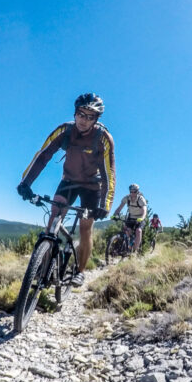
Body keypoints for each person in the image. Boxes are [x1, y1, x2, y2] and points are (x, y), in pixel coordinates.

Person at [17, 93, 115, 286]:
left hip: (92, 186)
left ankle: (80, 271)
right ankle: (43, 264)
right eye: (81, 114)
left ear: (96, 119)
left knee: (86, 227)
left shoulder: (103, 138)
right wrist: (26, 183)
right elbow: (43, 156)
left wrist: (105, 204)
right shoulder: (65, 130)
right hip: (68, 181)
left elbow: (108, 174)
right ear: (75, 113)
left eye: (90, 116)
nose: (84, 120)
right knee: (54, 215)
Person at [113, 183, 147, 253]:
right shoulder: (127, 198)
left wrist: (142, 218)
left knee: (138, 231)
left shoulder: (141, 199)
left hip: (140, 218)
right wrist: (114, 215)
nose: (132, 193)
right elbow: (120, 207)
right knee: (127, 230)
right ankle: (128, 246)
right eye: (131, 191)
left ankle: (135, 250)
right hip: (131, 217)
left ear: (137, 191)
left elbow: (144, 211)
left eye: (134, 191)